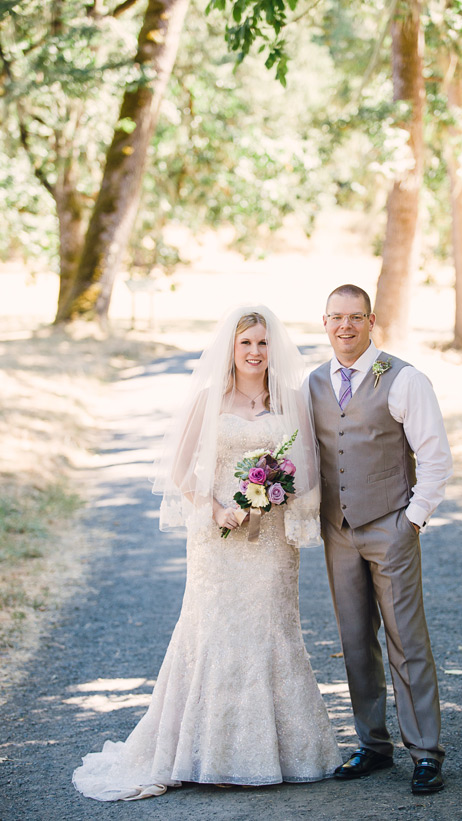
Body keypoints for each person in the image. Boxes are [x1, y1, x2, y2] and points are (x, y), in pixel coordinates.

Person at [72, 306, 340, 801]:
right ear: (231, 349)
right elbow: (178, 471)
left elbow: (308, 466)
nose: (255, 353)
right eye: (246, 344)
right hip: (219, 541)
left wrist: (278, 491)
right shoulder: (208, 399)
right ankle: (205, 751)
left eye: (262, 344)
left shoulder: (290, 399)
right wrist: (215, 508)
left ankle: (276, 753)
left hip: (272, 542)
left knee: (272, 628)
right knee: (214, 629)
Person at [307, 284, 453, 795]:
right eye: (336, 317)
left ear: (372, 322)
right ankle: (372, 745)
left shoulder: (404, 378)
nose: (345, 326)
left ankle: (425, 752)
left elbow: (435, 455)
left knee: (406, 640)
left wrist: (411, 519)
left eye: (356, 317)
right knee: (353, 641)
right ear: (324, 322)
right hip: (337, 530)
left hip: (391, 525)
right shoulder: (314, 383)